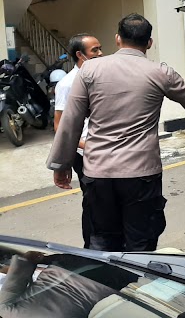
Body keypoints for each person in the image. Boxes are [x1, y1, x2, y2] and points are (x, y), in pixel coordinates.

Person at [46, 13, 185, 252]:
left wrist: (61, 165)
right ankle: (139, 287)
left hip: (99, 174)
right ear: (149, 43)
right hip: (141, 175)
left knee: (102, 240)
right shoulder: (160, 72)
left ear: (117, 39)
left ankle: (107, 286)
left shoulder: (89, 71)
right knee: (141, 242)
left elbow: (70, 122)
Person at [53, 33, 103, 249]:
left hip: (104, 150)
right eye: (95, 50)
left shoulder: (100, 76)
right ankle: (91, 249)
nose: (101, 53)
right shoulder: (67, 84)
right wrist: (85, 146)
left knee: (107, 202)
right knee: (93, 203)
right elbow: (59, 126)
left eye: (100, 48)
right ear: (80, 55)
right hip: (85, 153)